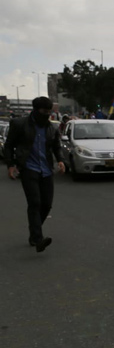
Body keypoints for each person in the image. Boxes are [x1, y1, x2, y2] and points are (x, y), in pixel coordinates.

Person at [4, 96, 66, 252]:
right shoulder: (20, 124)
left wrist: (60, 160)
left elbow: (57, 146)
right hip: (28, 169)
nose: (47, 115)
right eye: (44, 112)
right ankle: (38, 239)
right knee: (35, 203)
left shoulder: (51, 128)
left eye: (49, 112)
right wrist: (10, 165)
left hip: (46, 170)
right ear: (36, 110)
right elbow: (9, 146)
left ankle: (34, 233)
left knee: (46, 204)